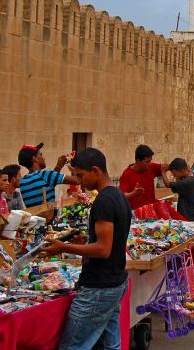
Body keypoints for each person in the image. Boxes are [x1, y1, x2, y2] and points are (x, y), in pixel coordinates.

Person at [41, 148, 132, 348]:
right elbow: (110, 242)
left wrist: (63, 246)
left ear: (95, 171)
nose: (79, 182)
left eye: (81, 176)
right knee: (109, 345)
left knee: (72, 346)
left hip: (99, 287)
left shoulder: (104, 201)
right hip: (114, 281)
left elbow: (103, 249)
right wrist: (84, 243)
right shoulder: (118, 196)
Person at [18, 143, 80, 208]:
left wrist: (58, 167)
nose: (43, 158)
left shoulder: (23, 181)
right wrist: (72, 165)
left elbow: (48, 182)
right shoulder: (45, 175)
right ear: (34, 158)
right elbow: (78, 180)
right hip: (48, 217)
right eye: (40, 155)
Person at [119, 144, 167, 210]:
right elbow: (122, 196)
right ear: (138, 161)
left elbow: (164, 168)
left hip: (151, 212)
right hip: (136, 214)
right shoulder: (127, 174)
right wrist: (134, 193)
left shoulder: (151, 167)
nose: (150, 163)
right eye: (147, 162)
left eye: (150, 161)